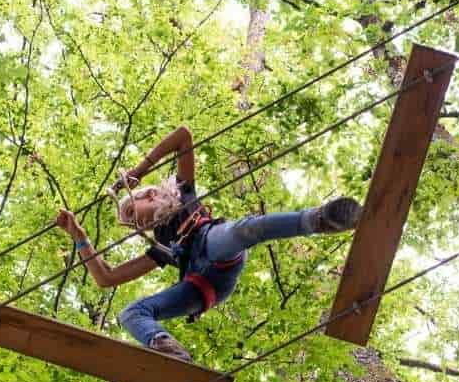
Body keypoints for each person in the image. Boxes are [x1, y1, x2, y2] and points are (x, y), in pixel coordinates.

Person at [55, 125, 361, 362]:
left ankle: (319, 220)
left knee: (242, 231)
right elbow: (107, 278)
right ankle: (166, 347)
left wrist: (137, 171)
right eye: (132, 224)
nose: (137, 224)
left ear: (149, 195)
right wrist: (80, 238)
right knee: (130, 313)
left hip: (214, 245)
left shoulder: (183, 193)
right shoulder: (160, 247)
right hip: (200, 285)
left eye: (133, 213)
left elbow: (183, 137)